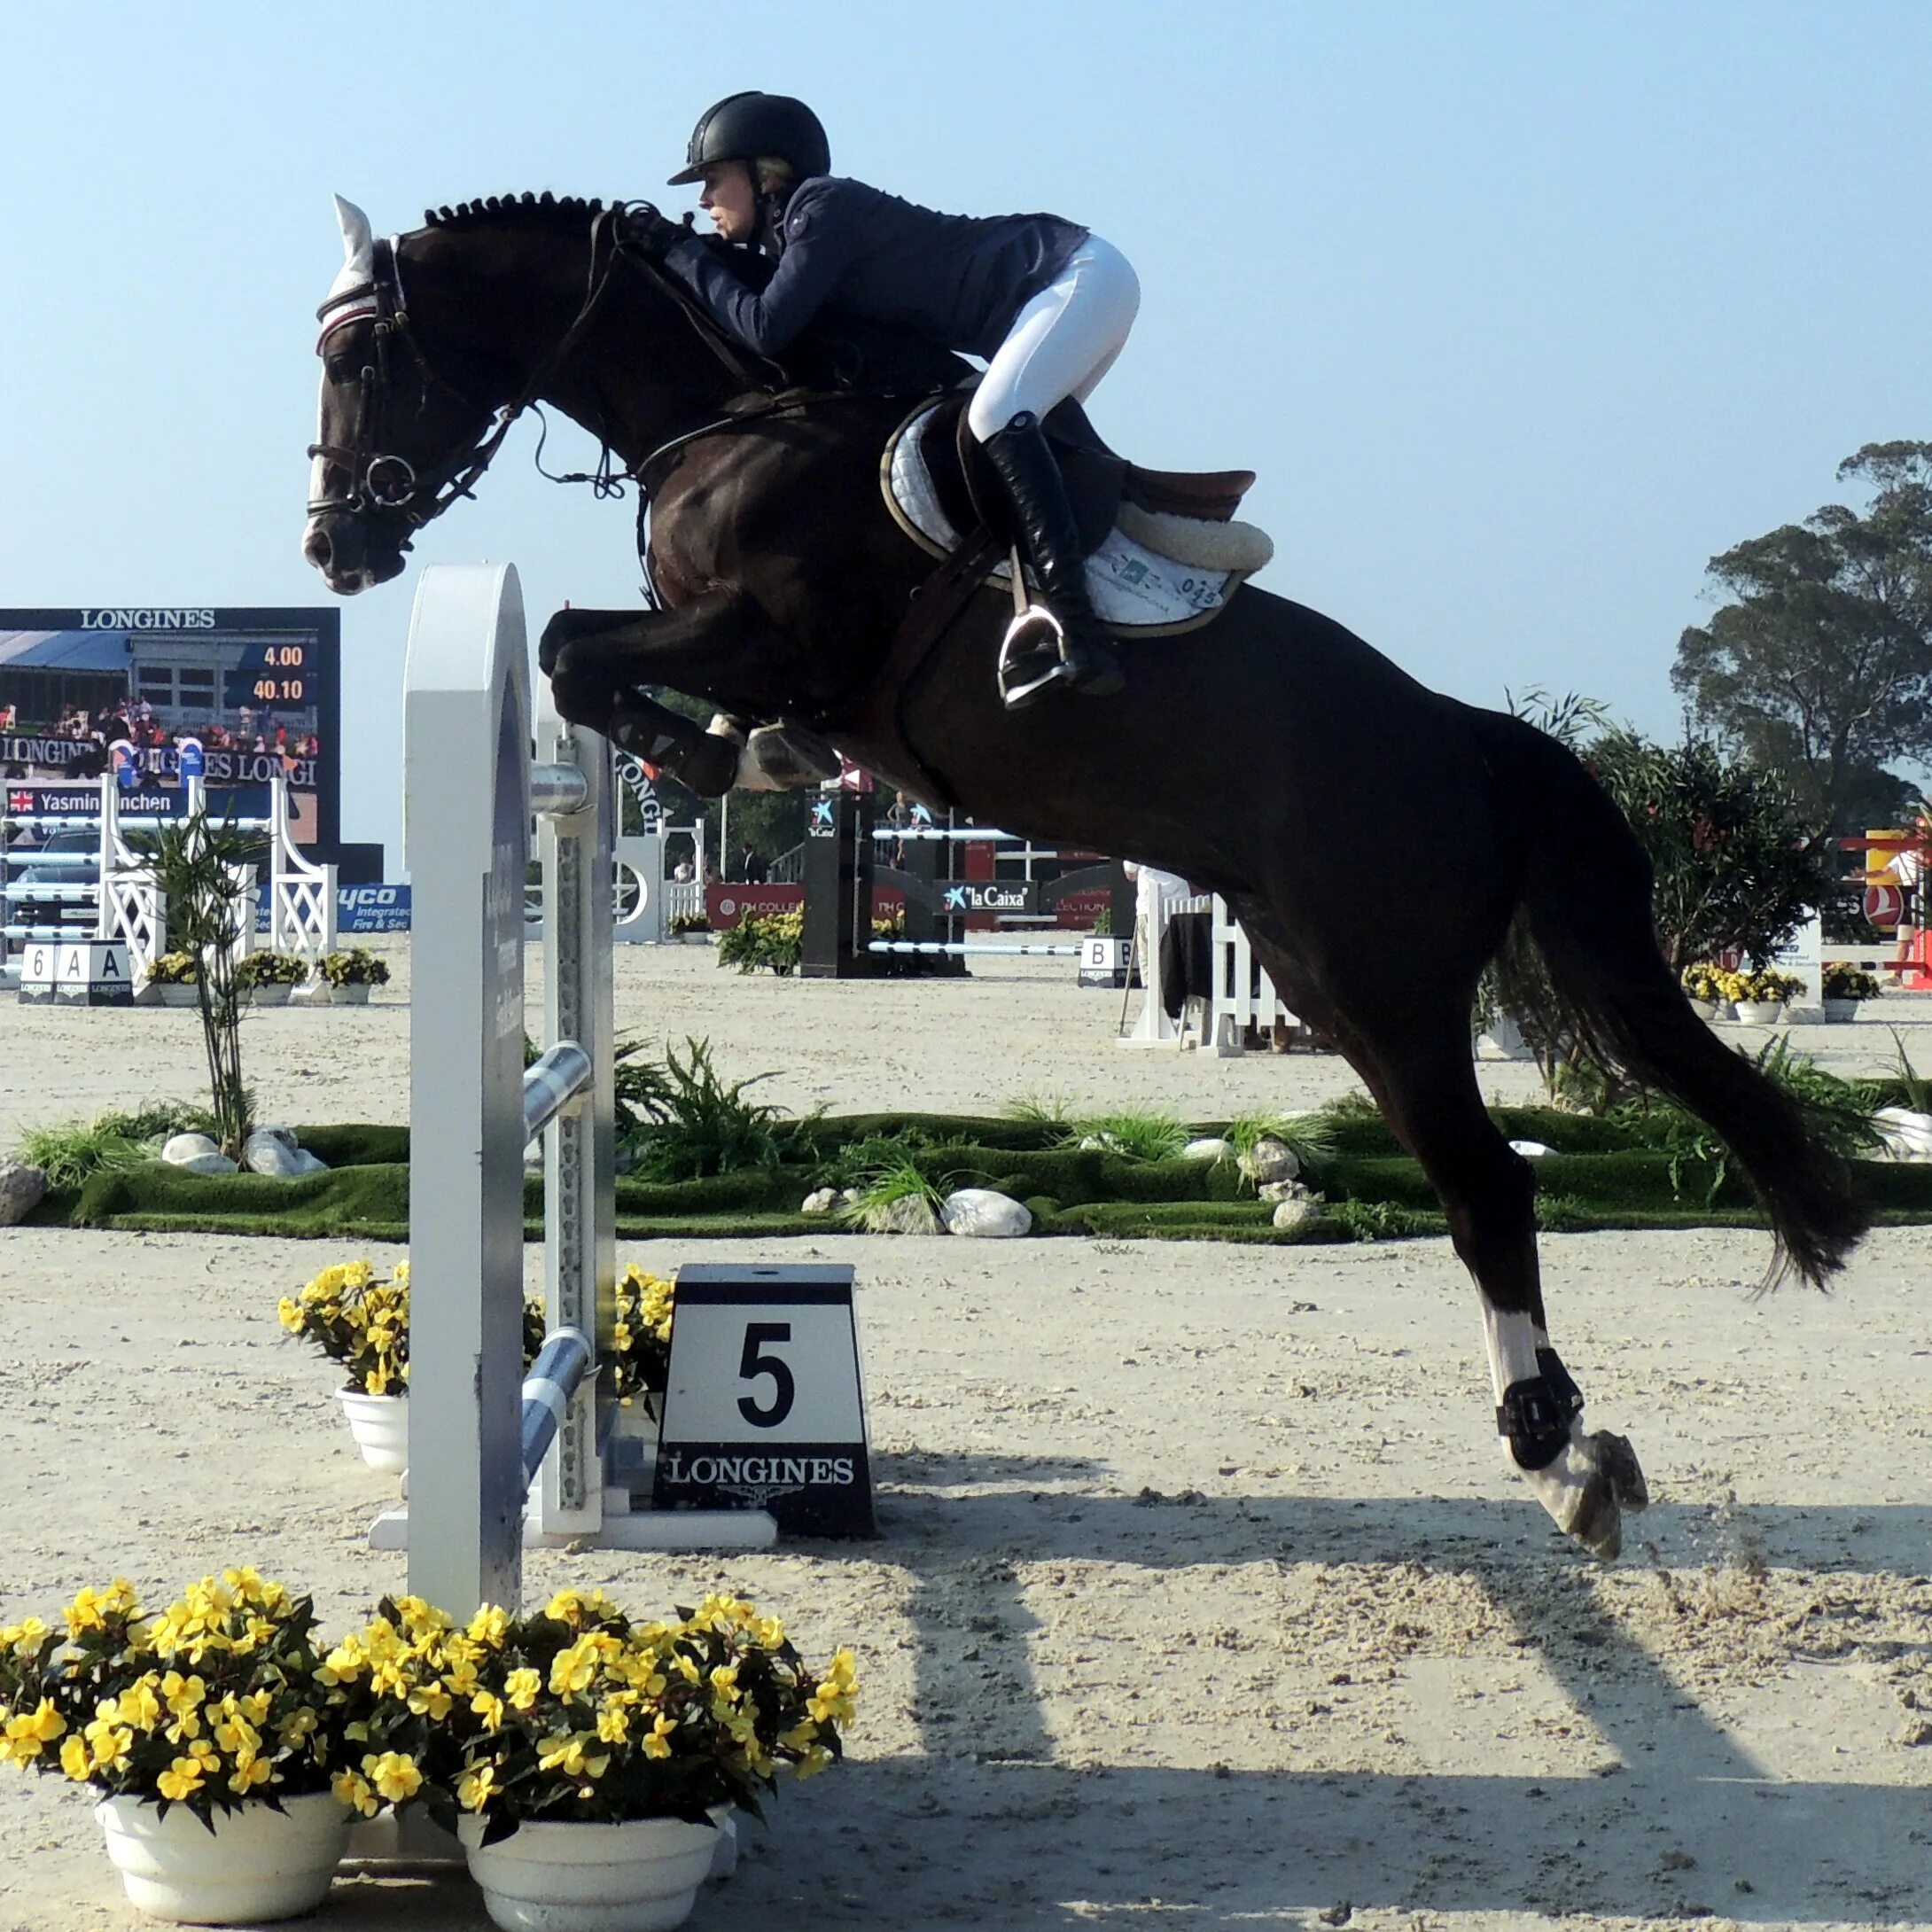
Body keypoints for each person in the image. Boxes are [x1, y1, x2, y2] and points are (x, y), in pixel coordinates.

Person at [632, 90, 1136, 709]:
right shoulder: (797, 236)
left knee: (997, 417)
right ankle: (1034, 622)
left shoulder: (821, 208)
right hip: (1053, 299)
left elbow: (765, 327)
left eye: (712, 178)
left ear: (766, 174)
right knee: (990, 458)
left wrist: (680, 253)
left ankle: (1079, 632)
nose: (703, 199)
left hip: (1075, 277)